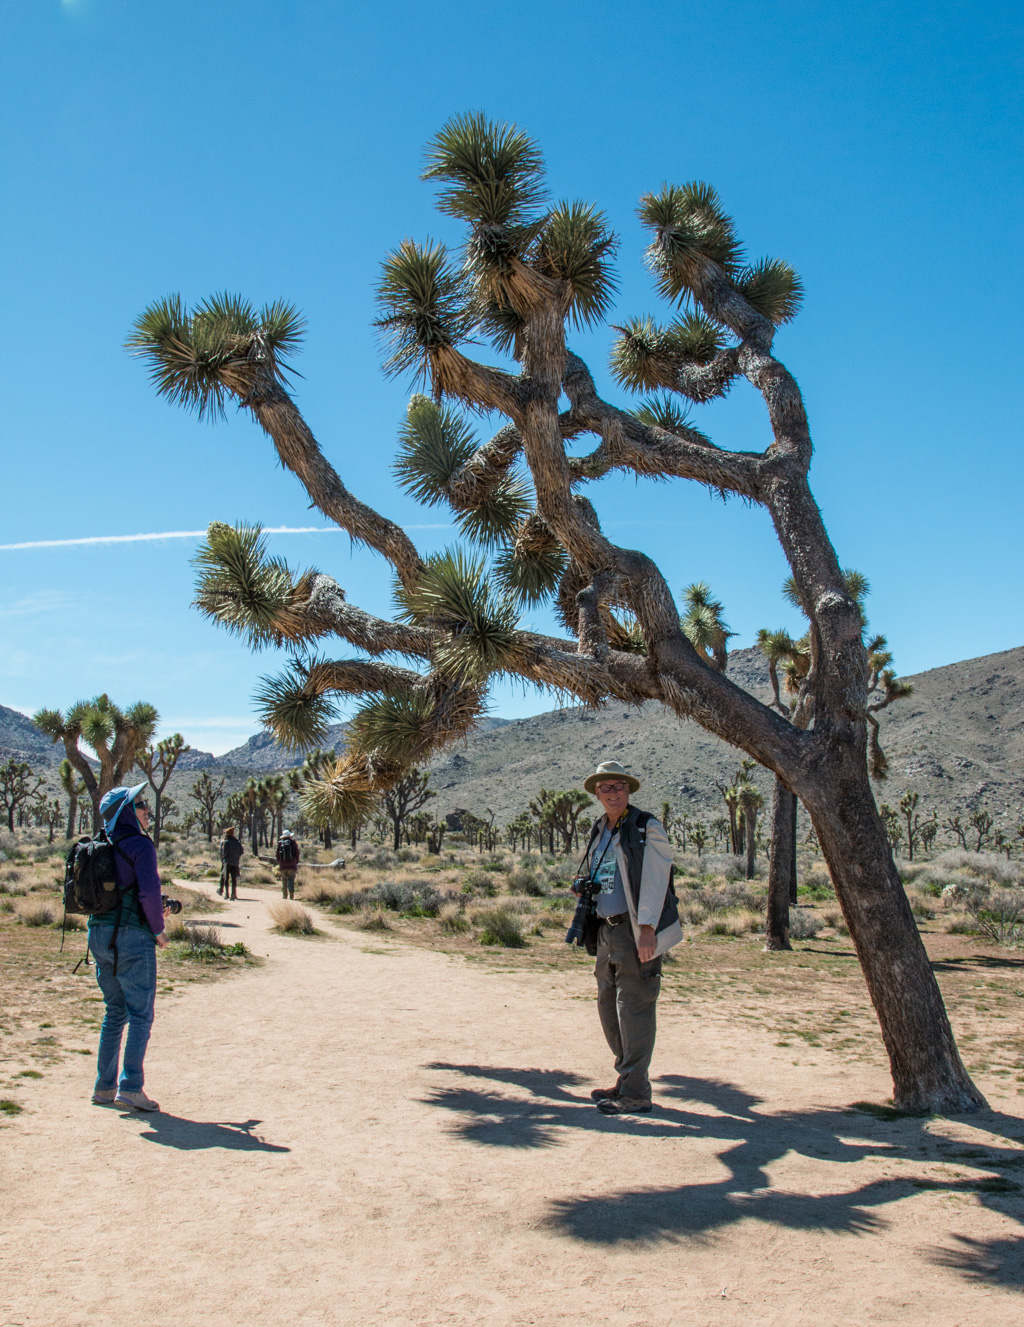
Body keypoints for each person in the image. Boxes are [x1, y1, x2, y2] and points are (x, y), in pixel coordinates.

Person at [576, 760, 682, 1116]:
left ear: (628, 790)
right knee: (608, 1006)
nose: (613, 792)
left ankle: (637, 1091)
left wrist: (647, 928)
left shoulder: (645, 826)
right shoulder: (599, 829)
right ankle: (626, 1078)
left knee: (634, 1007)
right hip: (605, 928)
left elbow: (657, 877)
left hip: (634, 929)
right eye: (606, 787)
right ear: (596, 793)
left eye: (618, 786)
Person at [89, 783, 167, 1112]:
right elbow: (149, 893)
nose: (147, 808)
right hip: (131, 936)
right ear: (125, 812)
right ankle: (131, 1087)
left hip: (98, 935)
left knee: (114, 1011)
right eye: (140, 804)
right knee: (140, 1014)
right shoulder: (140, 845)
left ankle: (104, 1087)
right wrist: (159, 930)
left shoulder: (100, 844)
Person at [219, 826, 243, 899]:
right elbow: (241, 852)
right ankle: (233, 893)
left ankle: (227, 894)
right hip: (235, 863)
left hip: (227, 862)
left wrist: (223, 859)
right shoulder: (237, 842)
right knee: (234, 879)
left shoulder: (226, 842)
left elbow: (224, 853)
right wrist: (236, 858)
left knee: (226, 878)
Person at [275, 829, 300, 898]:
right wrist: (296, 861)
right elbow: (297, 853)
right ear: (289, 836)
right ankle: (291, 893)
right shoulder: (293, 843)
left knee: (284, 880)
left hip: (282, 865)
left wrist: (279, 862)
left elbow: (277, 854)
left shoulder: (280, 843)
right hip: (292, 865)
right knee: (291, 879)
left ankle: (284, 895)